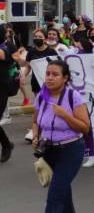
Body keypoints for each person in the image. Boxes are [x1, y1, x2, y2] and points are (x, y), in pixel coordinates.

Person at [32, 60, 90, 212]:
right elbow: (35, 121)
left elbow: (85, 128)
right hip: (49, 151)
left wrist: (65, 115)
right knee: (63, 194)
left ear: (65, 78)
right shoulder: (41, 96)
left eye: (55, 74)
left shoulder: (73, 97)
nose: (50, 78)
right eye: (48, 74)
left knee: (55, 197)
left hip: (70, 151)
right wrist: (35, 137)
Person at [20, 29, 59, 143]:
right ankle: (38, 130)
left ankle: (41, 130)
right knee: (40, 106)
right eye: (35, 36)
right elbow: (28, 66)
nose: (37, 38)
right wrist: (23, 75)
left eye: (40, 37)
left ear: (45, 39)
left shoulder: (52, 52)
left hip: (50, 84)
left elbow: (58, 68)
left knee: (48, 105)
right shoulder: (31, 52)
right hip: (36, 83)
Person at [0, 24, 19, 162]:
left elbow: (2, 56)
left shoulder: (7, 46)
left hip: (2, 87)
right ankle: (7, 144)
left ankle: (6, 145)